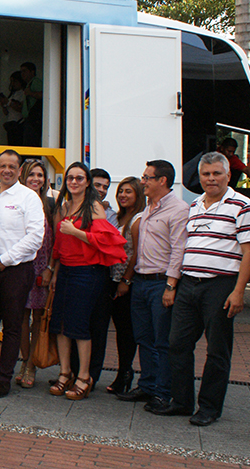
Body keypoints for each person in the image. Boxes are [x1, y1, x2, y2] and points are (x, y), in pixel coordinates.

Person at [162, 152, 250, 426]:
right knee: (177, 343)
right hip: (189, 283)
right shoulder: (194, 206)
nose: (211, 179)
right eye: (206, 174)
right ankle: (181, 402)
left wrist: (239, 291)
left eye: (217, 173)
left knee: (217, 350)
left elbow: (249, 253)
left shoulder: (243, 205)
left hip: (221, 285)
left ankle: (209, 407)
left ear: (229, 175)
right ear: (200, 177)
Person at [46, 162, 125, 401]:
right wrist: (54, 271)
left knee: (80, 326)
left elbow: (107, 240)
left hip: (88, 272)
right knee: (60, 324)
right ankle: (65, 372)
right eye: (70, 178)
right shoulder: (64, 206)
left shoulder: (94, 207)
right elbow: (58, 245)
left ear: (87, 182)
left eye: (79, 178)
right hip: (66, 271)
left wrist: (77, 232)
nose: (74, 182)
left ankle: (84, 377)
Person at [117, 160, 189, 411]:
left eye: (147, 177)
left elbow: (179, 249)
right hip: (141, 282)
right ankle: (147, 385)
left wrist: (171, 285)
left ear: (163, 181)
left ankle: (162, 391)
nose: (143, 182)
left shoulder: (178, 210)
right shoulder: (148, 209)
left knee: (162, 341)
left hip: (160, 284)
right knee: (144, 338)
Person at [0, 150, 45, 398]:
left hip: (16, 270)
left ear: (19, 171)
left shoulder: (28, 198)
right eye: (2, 166)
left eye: (12, 166)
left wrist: (5, 261)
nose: (6, 170)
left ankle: (4, 377)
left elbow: (35, 238)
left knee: (12, 326)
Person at [76, 167, 123, 388]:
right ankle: (74, 372)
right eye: (98, 185)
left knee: (98, 327)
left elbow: (106, 244)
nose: (102, 190)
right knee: (77, 324)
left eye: (106, 187)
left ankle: (91, 375)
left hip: (102, 276)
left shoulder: (111, 215)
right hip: (77, 272)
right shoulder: (72, 207)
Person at [15, 159, 54, 389]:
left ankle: (31, 365)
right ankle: (24, 360)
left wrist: (50, 268)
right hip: (21, 267)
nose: (36, 179)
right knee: (20, 319)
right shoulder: (18, 201)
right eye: (32, 175)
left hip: (42, 270)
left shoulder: (51, 204)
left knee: (38, 319)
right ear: (23, 177)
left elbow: (56, 242)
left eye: (40, 175)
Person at [106, 177, 145, 395]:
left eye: (128, 192)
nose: (123, 195)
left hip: (125, 282)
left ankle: (125, 373)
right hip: (111, 278)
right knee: (119, 330)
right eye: (120, 191)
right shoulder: (119, 216)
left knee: (126, 331)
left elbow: (137, 253)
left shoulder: (138, 219)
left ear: (138, 194)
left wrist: (126, 281)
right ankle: (123, 372)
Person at [0, 71, 26, 146]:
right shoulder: (13, 94)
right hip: (11, 124)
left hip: (18, 124)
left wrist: (8, 102)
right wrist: (3, 104)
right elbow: (6, 113)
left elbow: (21, 108)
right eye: (12, 82)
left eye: (15, 81)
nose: (13, 84)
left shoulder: (23, 93)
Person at [20, 62, 43, 147]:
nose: (22, 74)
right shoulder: (29, 84)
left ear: (32, 72)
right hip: (28, 119)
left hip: (34, 120)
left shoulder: (36, 82)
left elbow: (43, 95)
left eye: (24, 71)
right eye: (21, 72)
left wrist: (30, 93)